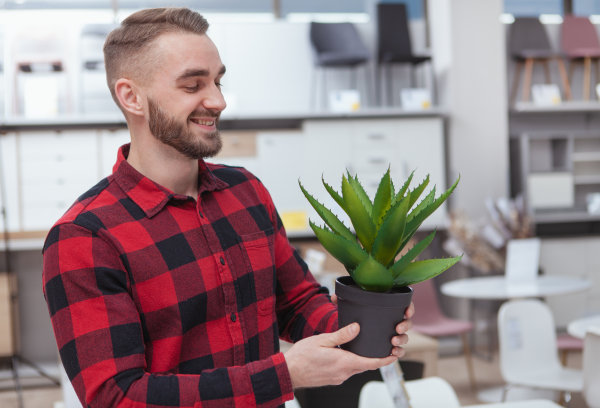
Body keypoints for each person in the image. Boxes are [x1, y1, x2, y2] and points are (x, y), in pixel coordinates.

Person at [42, 7, 414, 407]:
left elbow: (297, 301)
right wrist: (284, 375)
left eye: (217, 81)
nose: (217, 101)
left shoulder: (246, 192)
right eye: (192, 86)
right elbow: (117, 398)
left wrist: (365, 325)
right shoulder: (85, 237)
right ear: (131, 97)